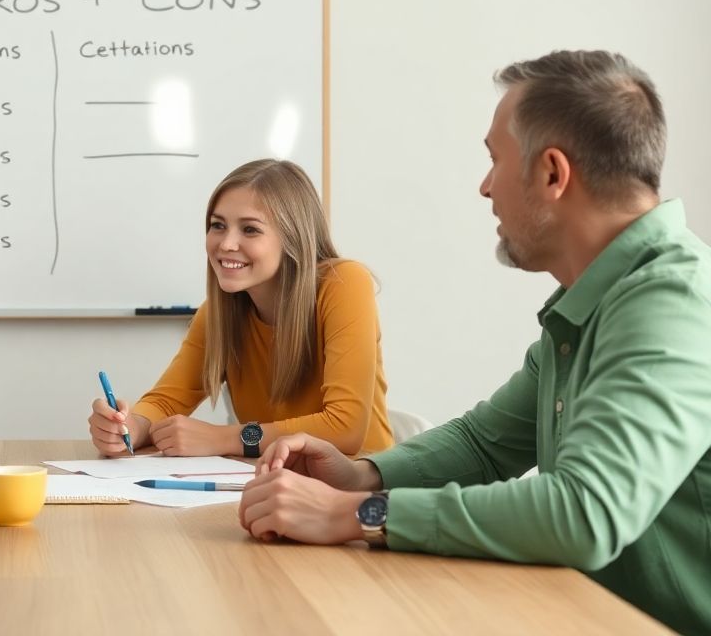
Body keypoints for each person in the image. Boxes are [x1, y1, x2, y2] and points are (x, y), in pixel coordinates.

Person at [238, 51, 711, 634]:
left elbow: (585, 513)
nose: (485, 187)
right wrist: (360, 476)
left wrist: (356, 515)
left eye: (494, 160)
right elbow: (486, 444)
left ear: (553, 174)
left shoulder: (673, 302)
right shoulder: (595, 302)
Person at [88, 159, 394, 459]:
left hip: (362, 493)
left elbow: (344, 429)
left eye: (250, 230)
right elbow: (166, 402)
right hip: (271, 483)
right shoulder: (220, 312)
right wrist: (131, 427)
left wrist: (222, 437)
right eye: (218, 226)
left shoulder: (344, 283)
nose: (226, 244)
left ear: (293, 239)